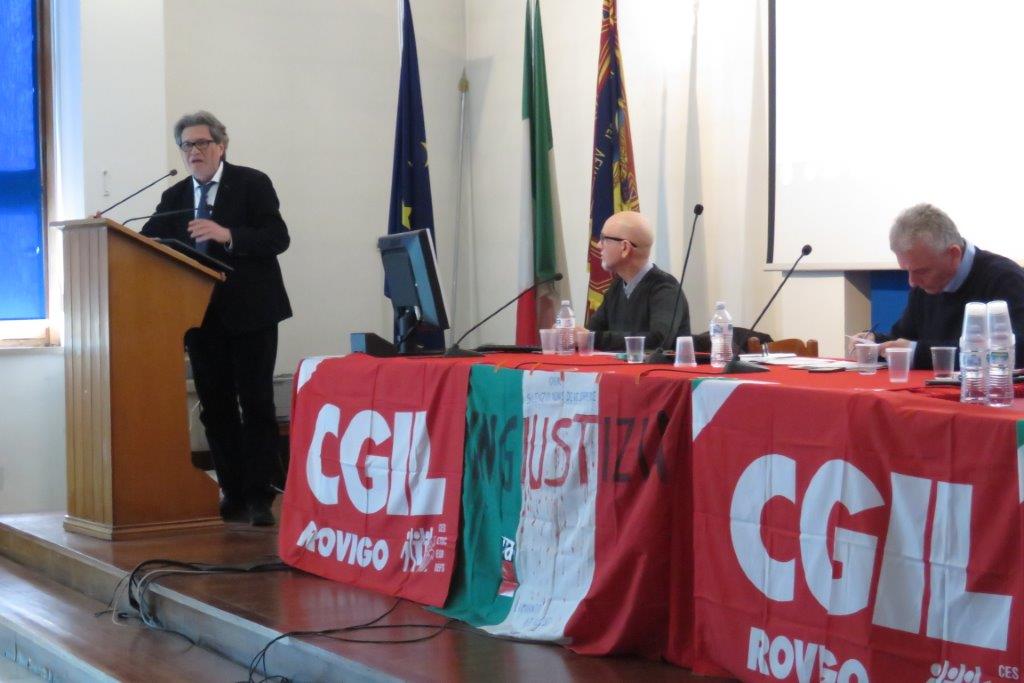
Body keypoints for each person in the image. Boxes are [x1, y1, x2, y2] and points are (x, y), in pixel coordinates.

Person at [142, 111, 291, 526]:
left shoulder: (252, 183)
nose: (194, 151)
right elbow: (149, 241)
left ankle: (260, 495)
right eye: (186, 145)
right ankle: (233, 491)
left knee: (256, 403)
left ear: (221, 146)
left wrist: (228, 235)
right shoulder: (174, 197)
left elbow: (277, 237)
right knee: (216, 408)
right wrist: (110, 234)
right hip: (199, 318)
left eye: (202, 143)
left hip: (252, 313)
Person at [849, 203, 1024, 369]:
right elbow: (904, 338)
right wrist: (874, 342)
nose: (912, 282)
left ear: (954, 254)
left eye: (922, 271)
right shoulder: (924, 286)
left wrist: (917, 354)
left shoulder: (1006, 280)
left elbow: (1016, 352)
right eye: (907, 271)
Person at [585, 211, 689, 351]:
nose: (598, 245)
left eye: (604, 239)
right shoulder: (617, 286)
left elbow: (659, 340)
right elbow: (592, 331)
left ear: (625, 248)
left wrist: (592, 338)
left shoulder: (665, 288)